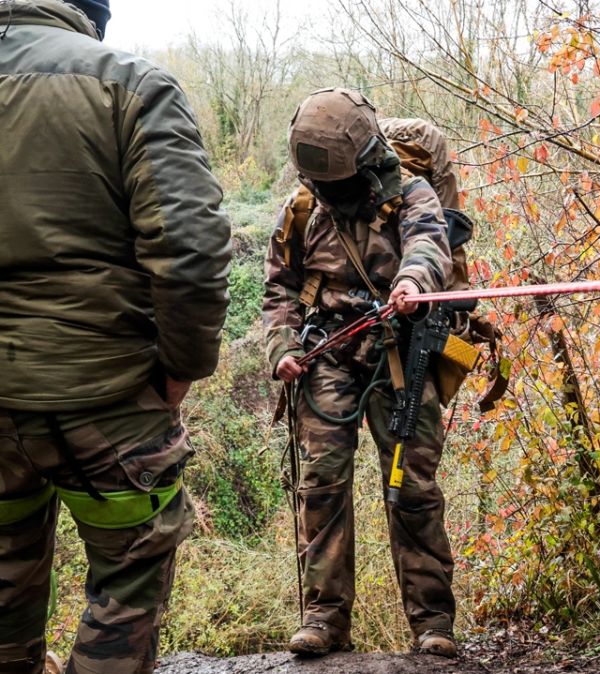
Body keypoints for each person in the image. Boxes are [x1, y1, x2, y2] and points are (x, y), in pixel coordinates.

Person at [0, 1, 232, 673]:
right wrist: (181, 367)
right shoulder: (128, 84)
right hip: (104, 399)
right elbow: (189, 248)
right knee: (129, 576)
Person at [263, 88, 459, 658]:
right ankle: (323, 619)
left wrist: (413, 282)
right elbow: (279, 288)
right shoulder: (300, 210)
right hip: (326, 355)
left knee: (413, 489)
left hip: (401, 353)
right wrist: (281, 347)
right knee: (320, 485)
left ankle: (433, 624)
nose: (327, 195)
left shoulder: (411, 194)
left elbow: (429, 241)